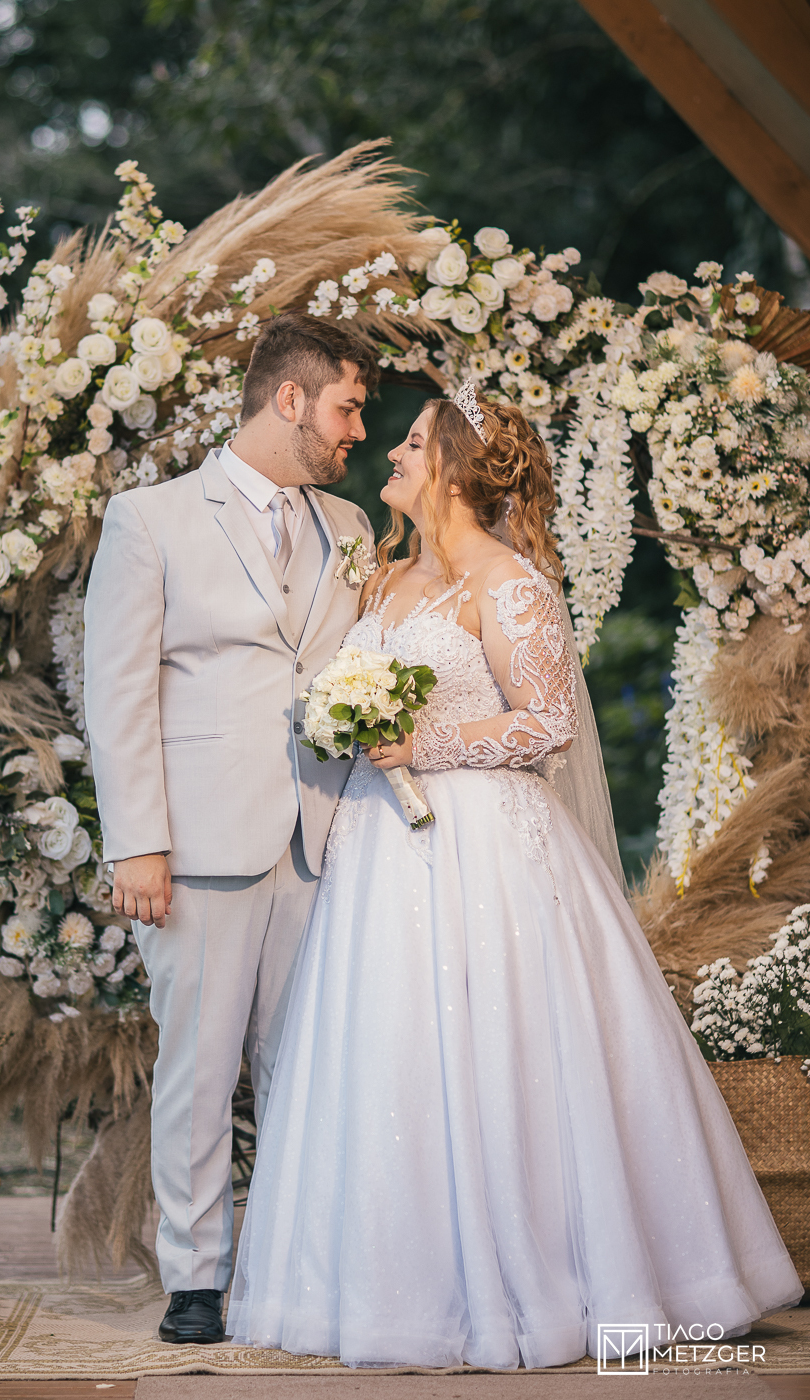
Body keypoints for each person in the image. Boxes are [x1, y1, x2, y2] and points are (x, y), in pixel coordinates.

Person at [226, 383, 803, 1370]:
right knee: (389, 1050)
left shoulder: (509, 584)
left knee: (499, 1048)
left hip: (485, 852)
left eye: (411, 442)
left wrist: (426, 738)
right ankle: (384, 1282)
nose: (393, 455)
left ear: (452, 465)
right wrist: (349, 724)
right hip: (378, 856)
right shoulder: (386, 581)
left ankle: (551, 1278)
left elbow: (547, 723)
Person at [83, 312, 377, 1345]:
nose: (356, 432)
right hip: (197, 844)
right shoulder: (152, 516)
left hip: (324, 833)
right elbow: (115, 690)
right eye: (345, 407)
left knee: (311, 1065)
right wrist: (137, 842)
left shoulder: (350, 529)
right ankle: (196, 1276)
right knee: (200, 1071)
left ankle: (297, 1264)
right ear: (287, 398)